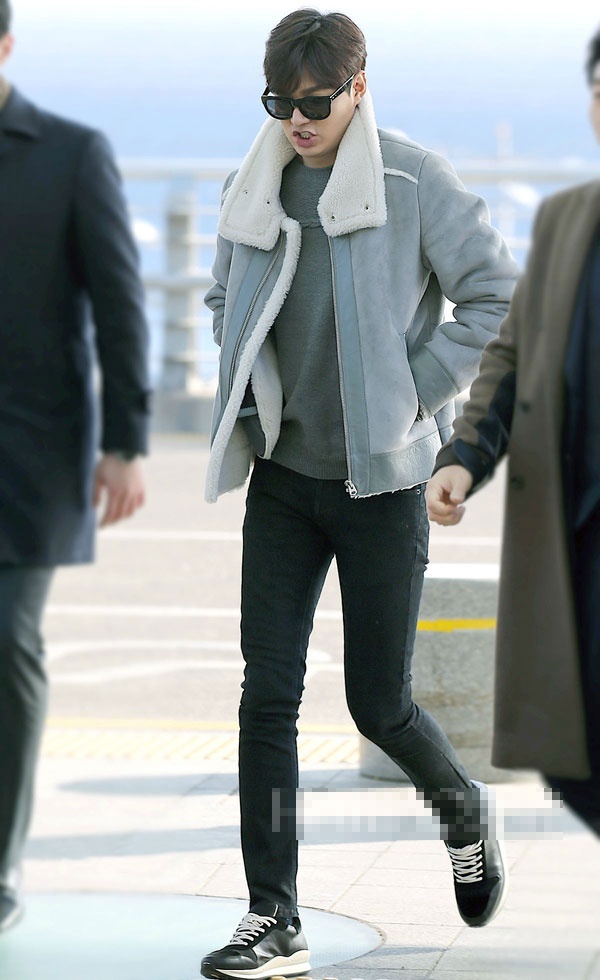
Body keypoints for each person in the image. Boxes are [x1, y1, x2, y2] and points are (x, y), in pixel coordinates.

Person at [201, 9, 518, 977]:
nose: (296, 122)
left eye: (315, 103)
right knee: (267, 696)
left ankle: (464, 811)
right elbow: (223, 296)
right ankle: (273, 915)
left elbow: (495, 295)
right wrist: (250, 382)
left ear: (359, 87)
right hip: (283, 481)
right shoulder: (254, 183)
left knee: (379, 704)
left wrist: (410, 392)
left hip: (382, 485)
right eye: (280, 104)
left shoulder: (413, 179)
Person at [425, 29, 600, 838]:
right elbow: (514, 352)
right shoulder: (569, 219)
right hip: (577, 531)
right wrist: (464, 455)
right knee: (571, 757)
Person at [0, 0, 151, 932]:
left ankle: (0, 866)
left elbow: (123, 304)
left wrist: (126, 441)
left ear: (6, 45)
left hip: (27, 456)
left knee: (7, 642)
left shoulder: (70, 153)